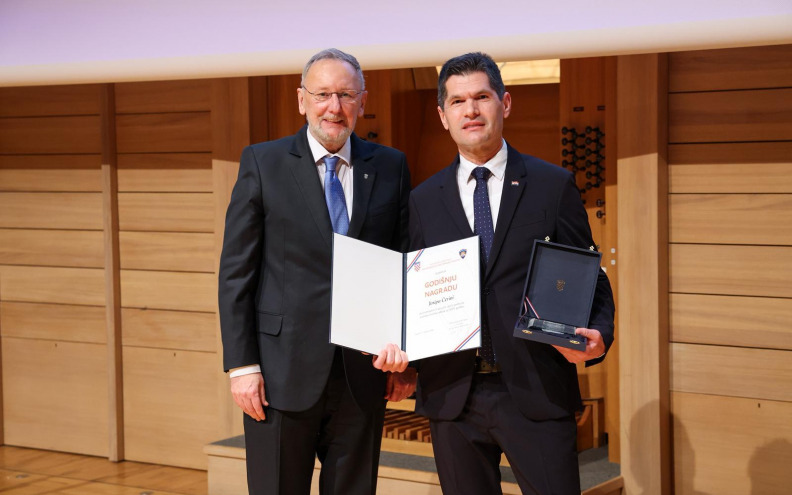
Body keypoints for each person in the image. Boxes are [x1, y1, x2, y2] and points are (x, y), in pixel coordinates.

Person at [407, 52, 615, 494]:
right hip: (453, 394)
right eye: (458, 101)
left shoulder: (551, 185)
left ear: (505, 102)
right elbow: (411, 291)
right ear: (443, 116)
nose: (472, 110)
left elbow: (588, 273)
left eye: (482, 96)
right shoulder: (423, 200)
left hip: (535, 389)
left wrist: (598, 334)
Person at [218, 48, 415, 495]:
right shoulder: (262, 163)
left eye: (346, 95)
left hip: (362, 374)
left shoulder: (389, 166)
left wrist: (406, 356)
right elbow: (236, 273)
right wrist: (242, 365)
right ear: (301, 100)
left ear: (362, 102)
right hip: (279, 373)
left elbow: (403, 265)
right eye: (323, 94)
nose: (334, 107)